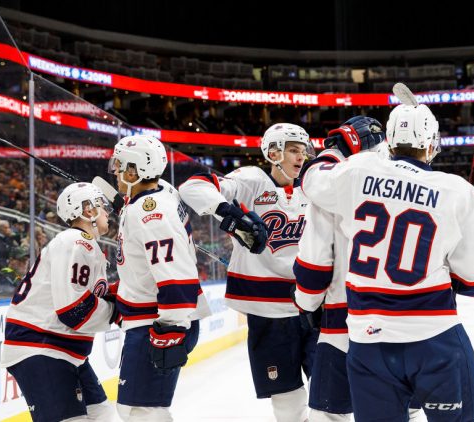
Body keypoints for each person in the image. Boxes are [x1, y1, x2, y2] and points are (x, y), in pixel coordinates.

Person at [301, 101, 474, 421]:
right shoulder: (457, 192)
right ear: (432, 145)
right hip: (435, 342)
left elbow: (311, 178)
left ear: (388, 142)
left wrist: (336, 148)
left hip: (368, 343)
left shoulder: (357, 170)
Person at [179, 123, 317, 422]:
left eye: (303, 151)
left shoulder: (313, 185)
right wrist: (230, 214)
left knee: (329, 390)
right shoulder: (251, 179)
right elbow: (192, 187)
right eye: (294, 150)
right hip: (267, 308)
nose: (301, 157)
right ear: (273, 152)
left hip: (314, 304)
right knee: (286, 393)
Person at [107, 135, 210, 421]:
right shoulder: (159, 193)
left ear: (134, 171)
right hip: (154, 318)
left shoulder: (150, 213)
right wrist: (126, 203)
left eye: (120, 165)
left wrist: (171, 329)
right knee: (139, 408)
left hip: (158, 324)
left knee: (143, 410)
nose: (114, 170)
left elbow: (174, 271)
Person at [294, 116, 387, 422]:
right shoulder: (417, 186)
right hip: (407, 323)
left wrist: (307, 305)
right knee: (401, 413)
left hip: (343, 319)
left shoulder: (333, 186)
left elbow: (314, 264)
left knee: (329, 415)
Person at [0, 182, 118, 422]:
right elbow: (74, 311)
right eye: (102, 206)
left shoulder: (82, 244)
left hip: (63, 352)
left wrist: (122, 294)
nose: (107, 212)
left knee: (102, 415)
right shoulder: (77, 243)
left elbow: (85, 297)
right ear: (88, 211)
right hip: (41, 348)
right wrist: (120, 310)